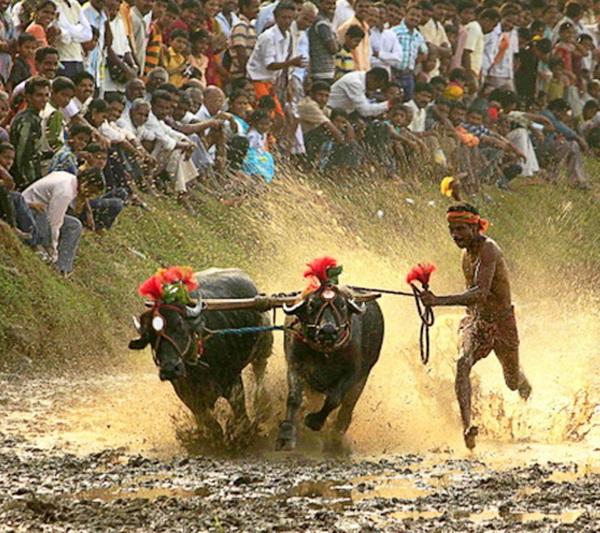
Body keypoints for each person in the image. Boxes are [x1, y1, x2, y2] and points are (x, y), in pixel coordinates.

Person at [420, 204, 532, 450]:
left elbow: (480, 293)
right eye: (452, 229)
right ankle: (467, 426)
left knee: (512, 381)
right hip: (476, 320)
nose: (455, 235)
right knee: (462, 362)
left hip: (502, 321)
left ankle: (524, 389)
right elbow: (474, 300)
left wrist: (438, 301)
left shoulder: (489, 250)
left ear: (475, 226)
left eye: (460, 229)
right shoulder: (465, 255)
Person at [10, 76, 51, 189]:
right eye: (39, 95)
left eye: (46, 95)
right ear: (28, 97)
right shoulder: (28, 121)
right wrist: (29, 182)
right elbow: (23, 155)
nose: (44, 99)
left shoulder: (34, 118)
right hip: (25, 180)